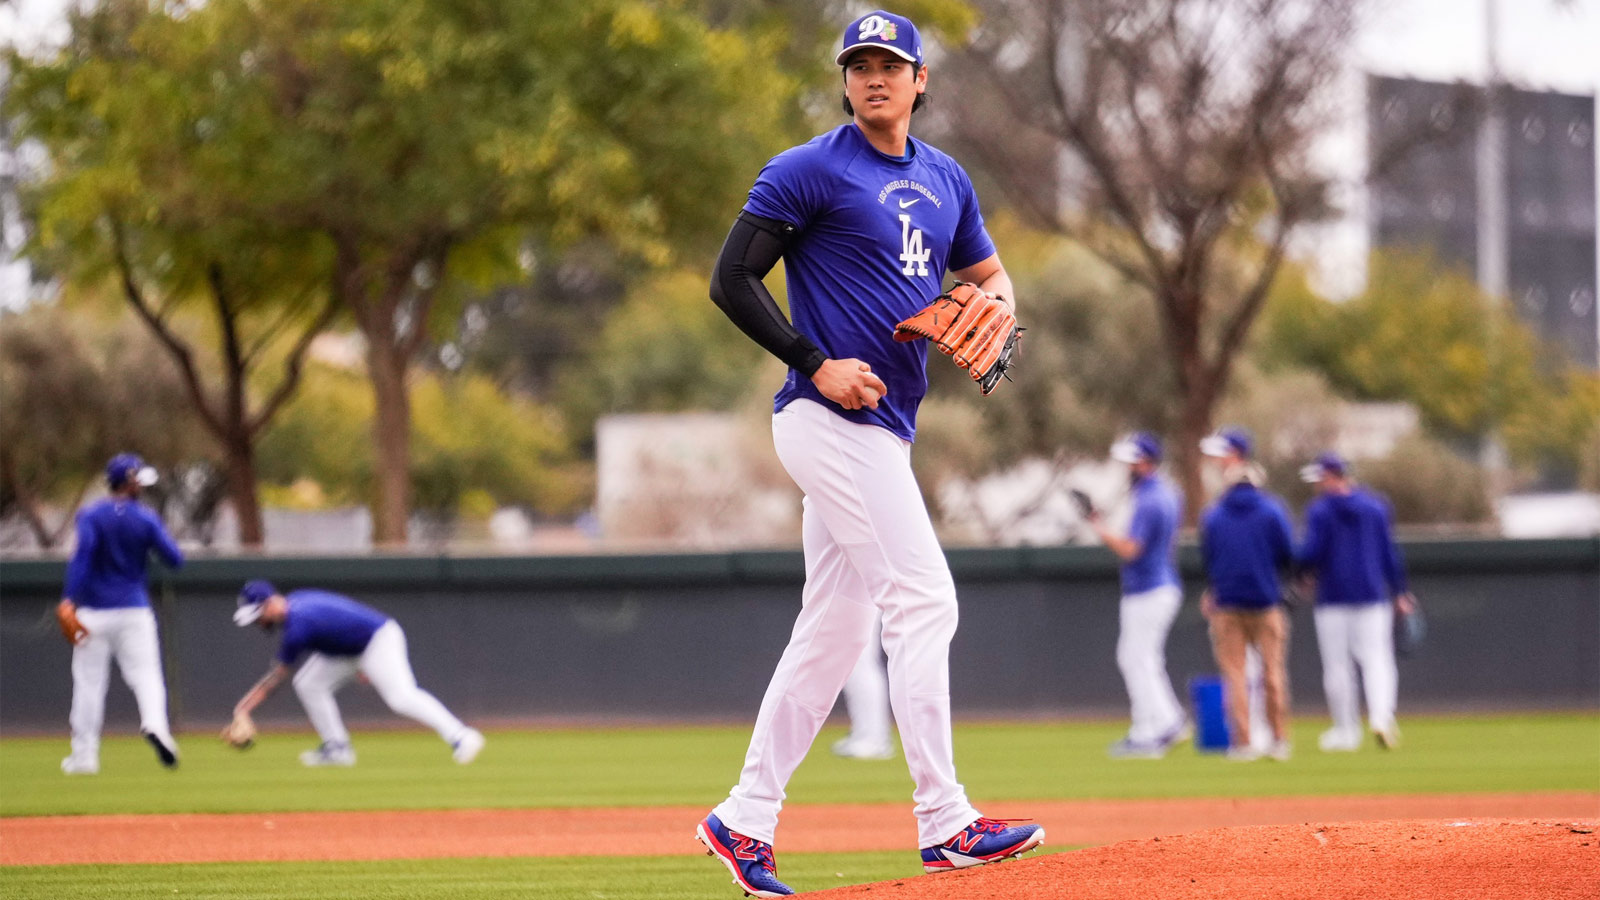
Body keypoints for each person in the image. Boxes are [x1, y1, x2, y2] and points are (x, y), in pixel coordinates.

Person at [696, 10, 1043, 896]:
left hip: (884, 427)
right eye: (859, 64)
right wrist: (815, 362)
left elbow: (989, 276)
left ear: (921, 80)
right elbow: (730, 278)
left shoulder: (946, 179)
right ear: (845, 81)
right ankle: (946, 822)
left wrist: (995, 304)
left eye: (890, 63)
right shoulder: (811, 170)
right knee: (924, 598)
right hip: (826, 418)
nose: (874, 76)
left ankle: (742, 819)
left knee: (836, 630)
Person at [229, 581, 484, 767]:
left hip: (377, 640)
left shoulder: (297, 626)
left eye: (258, 614)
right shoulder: (297, 602)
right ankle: (337, 749)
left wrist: (243, 709)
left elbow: (275, 678)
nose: (258, 622)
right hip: (351, 649)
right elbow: (337, 626)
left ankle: (461, 736)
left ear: (271, 602)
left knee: (401, 697)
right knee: (309, 684)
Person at [56, 453, 184, 775]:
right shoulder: (145, 518)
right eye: (138, 480)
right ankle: (157, 726)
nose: (141, 486)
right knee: (147, 677)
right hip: (133, 609)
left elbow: (82, 557)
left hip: (93, 612)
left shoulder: (91, 514)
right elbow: (174, 559)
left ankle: (84, 757)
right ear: (129, 482)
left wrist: (68, 599)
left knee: (88, 684)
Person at [1295, 452, 1415, 752]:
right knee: (1377, 659)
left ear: (1332, 476)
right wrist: (1400, 590)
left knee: (1337, 666)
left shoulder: (1320, 511)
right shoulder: (1376, 506)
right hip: (1372, 594)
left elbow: (1311, 552)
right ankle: (1381, 717)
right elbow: (1389, 552)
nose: (1317, 485)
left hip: (1332, 597)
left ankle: (1346, 730)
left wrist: (1303, 574)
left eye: (1320, 479)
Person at [1086, 432, 1188, 759]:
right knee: (1144, 659)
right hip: (1160, 584)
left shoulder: (1149, 498)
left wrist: (1098, 527)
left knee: (1135, 658)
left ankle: (1155, 728)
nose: (1127, 468)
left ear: (1144, 462)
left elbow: (1131, 549)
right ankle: (1163, 722)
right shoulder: (1167, 492)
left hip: (1148, 587)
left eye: (1131, 462)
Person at [1197, 428, 1294, 762]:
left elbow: (1209, 558)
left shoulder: (1214, 515)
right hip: (1267, 601)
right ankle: (1279, 740)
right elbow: (1288, 554)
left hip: (1227, 603)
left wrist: (1214, 589)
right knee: (1272, 673)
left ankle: (1244, 743)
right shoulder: (1272, 510)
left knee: (1235, 677)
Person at [831, 614, 895, 760]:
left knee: (859, 660)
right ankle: (867, 734)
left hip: (863, 594)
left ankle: (874, 738)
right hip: (854, 595)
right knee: (853, 660)